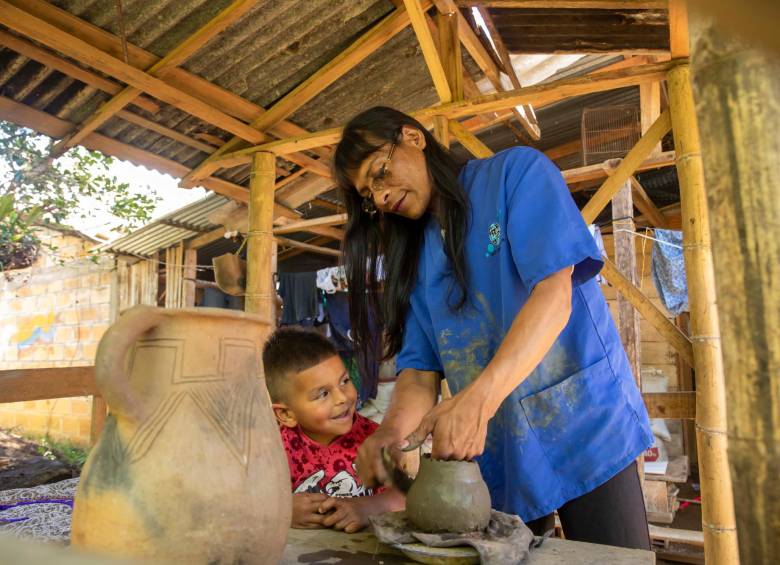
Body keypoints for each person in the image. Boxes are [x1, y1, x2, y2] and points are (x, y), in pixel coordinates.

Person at [332, 106, 654, 549]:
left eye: (380, 173)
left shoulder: (516, 174)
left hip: (583, 422)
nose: (381, 197)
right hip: (500, 452)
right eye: (369, 194)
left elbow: (554, 295)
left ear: (413, 137)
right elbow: (420, 371)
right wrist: (391, 434)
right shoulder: (415, 258)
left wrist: (477, 400)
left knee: (616, 559)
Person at [262, 326, 404, 533]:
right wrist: (282, 511)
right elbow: (242, 504)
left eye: (344, 381)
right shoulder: (272, 450)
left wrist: (366, 508)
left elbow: (406, 496)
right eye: (322, 394)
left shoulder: (374, 440)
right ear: (286, 415)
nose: (343, 398)